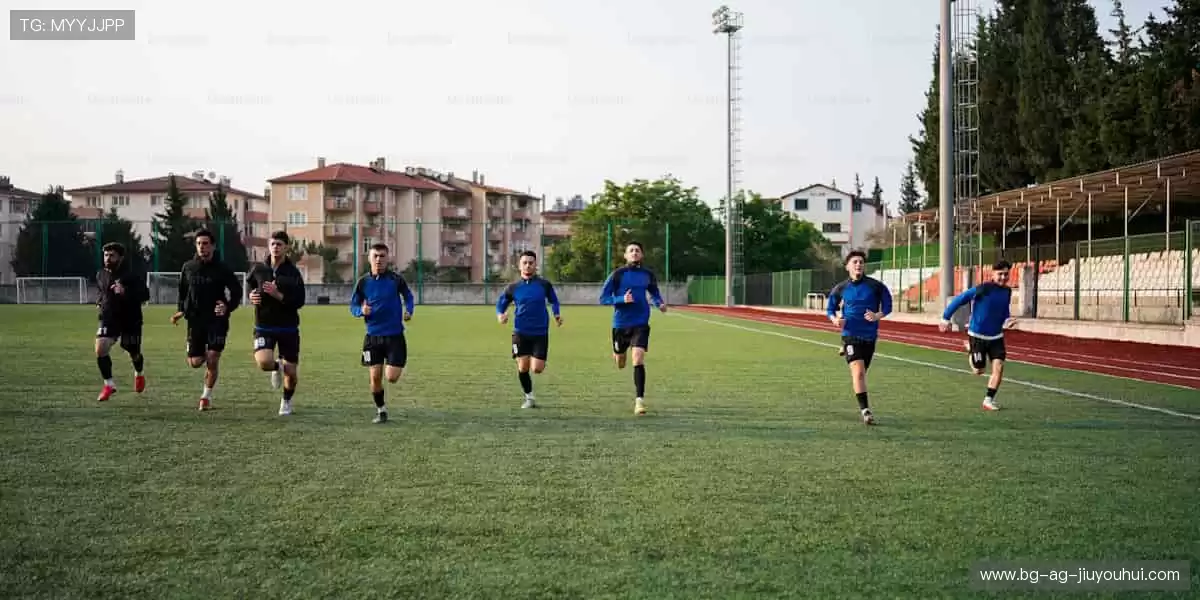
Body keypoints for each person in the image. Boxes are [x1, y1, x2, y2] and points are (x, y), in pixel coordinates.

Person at [171, 229, 242, 411]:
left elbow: (236, 292)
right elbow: (183, 292)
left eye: (206, 244)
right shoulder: (188, 267)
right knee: (195, 362)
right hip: (195, 321)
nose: (202, 247)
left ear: (213, 246)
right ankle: (196, 350)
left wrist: (227, 306)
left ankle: (206, 396)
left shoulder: (222, 268)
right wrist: (181, 311)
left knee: (213, 357)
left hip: (217, 320)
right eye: (199, 244)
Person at [599, 241, 667, 416]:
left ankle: (639, 401)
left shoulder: (648, 275)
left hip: (641, 322)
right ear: (625, 255)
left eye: (637, 250)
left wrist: (659, 303)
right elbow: (603, 298)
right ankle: (619, 355)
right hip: (620, 324)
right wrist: (621, 299)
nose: (634, 253)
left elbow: (654, 293)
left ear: (642, 255)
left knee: (638, 358)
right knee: (621, 361)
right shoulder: (617, 275)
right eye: (631, 250)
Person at [939, 260, 1018, 411]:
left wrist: (1007, 320)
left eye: (1006, 274)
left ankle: (988, 400)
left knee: (999, 367)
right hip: (977, 336)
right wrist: (945, 318)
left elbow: (1004, 310)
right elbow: (960, 300)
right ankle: (970, 350)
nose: (1003, 277)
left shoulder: (1007, 291)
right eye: (1000, 274)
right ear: (993, 274)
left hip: (996, 337)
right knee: (979, 371)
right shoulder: (983, 289)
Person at [350, 243, 415, 424]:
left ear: (388, 259)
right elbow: (353, 305)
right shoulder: (363, 282)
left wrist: (409, 310)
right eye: (375, 256)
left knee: (391, 377)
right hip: (372, 337)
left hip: (394, 336)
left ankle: (395, 365)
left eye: (382, 256)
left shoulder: (396, 280)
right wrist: (361, 311)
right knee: (375, 377)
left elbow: (408, 296)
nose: (379, 260)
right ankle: (381, 410)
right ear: (369, 258)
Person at [826, 250, 893, 425]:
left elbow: (888, 305)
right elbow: (830, 309)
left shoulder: (876, 286)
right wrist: (835, 319)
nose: (858, 265)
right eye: (855, 262)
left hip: (869, 337)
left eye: (861, 262)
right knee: (859, 373)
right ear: (848, 266)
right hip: (850, 334)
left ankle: (845, 350)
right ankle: (866, 411)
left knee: (862, 373)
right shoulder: (841, 288)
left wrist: (878, 315)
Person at [246, 231, 306, 416]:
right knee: (264, 363)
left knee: (292, 375)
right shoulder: (259, 269)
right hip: (264, 325)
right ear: (268, 246)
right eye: (273, 244)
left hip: (288, 327)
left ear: (286, 247)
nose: (276, 247)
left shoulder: (293, 273)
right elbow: (250, 284)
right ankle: (277, 367)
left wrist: (277, 294)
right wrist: (251, 296)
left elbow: (300, 301)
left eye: (280, 244)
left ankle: (286, 401)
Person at [496, 250, 562, 408]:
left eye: (531, 263)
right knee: (523, 367)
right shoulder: (513, 287)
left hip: (540, 332)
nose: (527, 265)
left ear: (535, 265)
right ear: (519, 266)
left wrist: (557, 314)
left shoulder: (544, 284)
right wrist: (500, 315)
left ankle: (539, 362)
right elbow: (501, 303)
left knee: (537, 369)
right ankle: (529, 397)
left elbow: (554, 300)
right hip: (520, 331)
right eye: (524, 263)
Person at [94, 242, 150, 401]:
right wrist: (99, 301)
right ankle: (109, 384)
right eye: (105, 255)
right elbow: (101, 291)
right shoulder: (101, 274)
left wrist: (125, 292)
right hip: (109, 317)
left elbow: (145, 295)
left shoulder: (132, 275)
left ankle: (139, 373)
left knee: (133, 352)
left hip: (131, 319)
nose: (107, 258)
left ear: (120, 257)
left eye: (112, 255)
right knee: (101, 347)